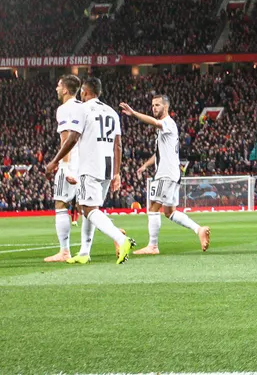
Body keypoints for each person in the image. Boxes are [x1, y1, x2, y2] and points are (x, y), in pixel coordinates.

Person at [46, 77, 135, 264]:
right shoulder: (111, 112)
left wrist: (55, 161)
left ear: (84, 92)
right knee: (90, 207)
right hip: (107, 167)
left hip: (90, 166)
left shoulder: (82, 109)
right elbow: (118, 145)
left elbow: (72, 138)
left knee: (88, 209)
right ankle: (85, 252)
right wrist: (117, 173)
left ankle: (120, 238)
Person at [120, 95, 210, 254]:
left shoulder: (167, 123)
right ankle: (199, 229)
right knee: (170, 212)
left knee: (153, 207)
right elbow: (159, 153)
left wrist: (134, 113)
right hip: (172, 173)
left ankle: (152, 246)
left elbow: (154, 122)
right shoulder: (166, 129)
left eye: (157, 105)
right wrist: (144, 166)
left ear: (166, 107)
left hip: (166, 174)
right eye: (152, 105)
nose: (154, 108)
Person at [44, 74, 85, 263]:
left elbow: (66, 138)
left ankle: (64, 251)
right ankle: (116, 233)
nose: (56, 89)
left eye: (59, 85)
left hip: (71, 164)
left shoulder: (64, 109)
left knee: (60, 204)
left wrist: (66, 167)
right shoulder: (83, 107)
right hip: (86, 164)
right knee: (86, 208)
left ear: (66, 90)